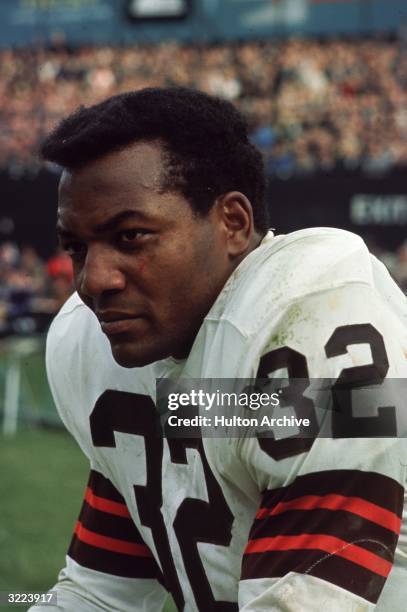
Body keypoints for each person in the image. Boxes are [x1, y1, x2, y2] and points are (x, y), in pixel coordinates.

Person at [30, 87, 407, 611]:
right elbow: (99, 593)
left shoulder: (312, 317)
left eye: (131, 236)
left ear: (233, 222)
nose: (94, 280)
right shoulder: (98, 347)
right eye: (76, 248)